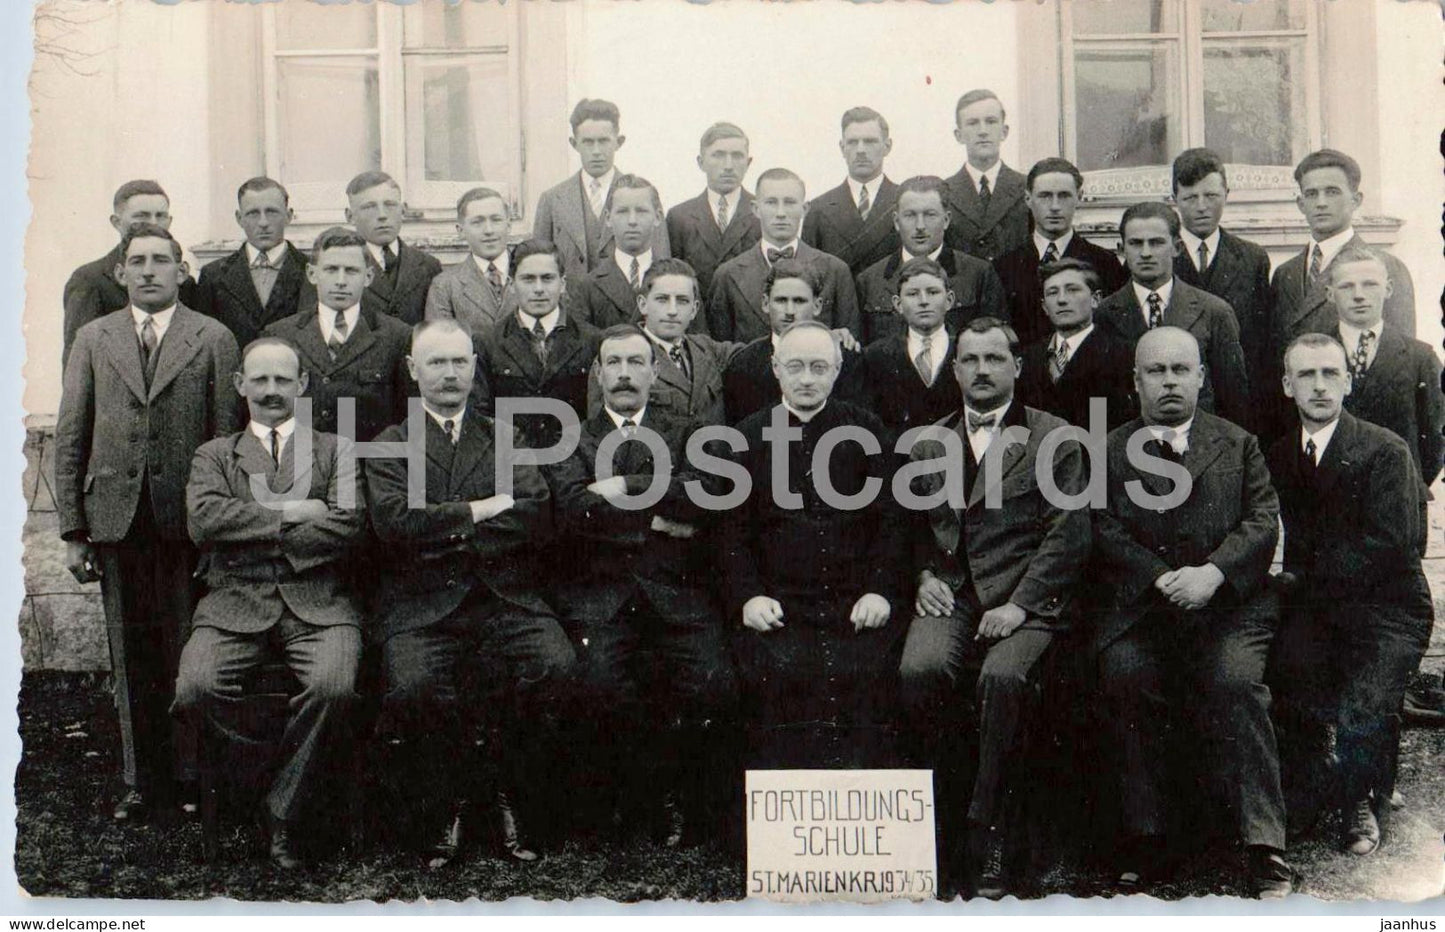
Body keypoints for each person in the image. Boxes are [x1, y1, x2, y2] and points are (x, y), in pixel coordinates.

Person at [364, 319, 576, 869]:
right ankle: (447, 806)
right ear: (413, 370)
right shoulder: (390, 444)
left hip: (504, 595)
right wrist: (482, 509)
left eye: (460, 361)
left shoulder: (503, 435)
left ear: (475, 366)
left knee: (553, 665)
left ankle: (509, 796)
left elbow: (534, 515)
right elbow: (394, 525)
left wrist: (441, 524)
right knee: (414, 687)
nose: (451, 373)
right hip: (424, 602)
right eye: (437, 362)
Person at [1092, 327, 1292, 898]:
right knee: (1126, 678)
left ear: (1202, 377)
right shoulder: (1108, 450)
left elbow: (1261, 519)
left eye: (1182, 369)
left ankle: (1263, 845)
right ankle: (1148, 837)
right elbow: (1101, 526)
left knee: (1236, 683)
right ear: (1136, 382)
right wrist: (1157, 577)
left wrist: (1214, 574)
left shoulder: (1238, 442)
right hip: (1143, 610)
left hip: (1229, 607)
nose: (1170, 381)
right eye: (1156, 371)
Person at [55, 223, 241, 821]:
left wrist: (219, 523)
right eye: (138, 261)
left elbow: (225, 436)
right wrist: (72, 530)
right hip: (116, 517)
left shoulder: (212, 337)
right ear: (121, 272)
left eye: (162, 261)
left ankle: (191, 776)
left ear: (182, 270)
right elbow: (71, 434)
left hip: (187, 520)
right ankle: (142, 780)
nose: (149, 271)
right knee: (130, 653)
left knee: (186, 649)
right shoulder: (93, 338)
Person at [901, 315, 1090, 899]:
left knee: (1004, 679)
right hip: (955, 595)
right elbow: (906, 525)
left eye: (994, 359)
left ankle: (992, 839)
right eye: (971, 360)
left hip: (1029, 601)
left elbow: (1069, 535)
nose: (982, 370)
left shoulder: (1055, 437)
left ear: (1017, 366)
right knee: (920, 670)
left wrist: (1022, 605)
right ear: (954, 370)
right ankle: (939, 833)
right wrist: (922, 574)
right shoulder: (929, 440)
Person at [173, 338, 364, 869]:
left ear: (302, 385)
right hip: (234, 603)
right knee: (195, 689)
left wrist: (251, 523)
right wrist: (297, 511)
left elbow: (348, 524)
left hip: (318, 605)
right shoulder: (214, 454)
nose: (272, 390)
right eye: (260, 380)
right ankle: (267, 783)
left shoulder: (334, 450)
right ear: (240, 385)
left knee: (333, 687)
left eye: (283, 379)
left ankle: (279, 811)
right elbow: (204, 521)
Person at [545, 323, 736, 846]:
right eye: (614, 363)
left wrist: (625, 485)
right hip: (602, 594)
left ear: (655, 371)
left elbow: (707, 496)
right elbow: (573, 510)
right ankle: (631, 804)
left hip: (677, 590)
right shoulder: (573, 438)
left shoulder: (690, 429)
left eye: (636, 362)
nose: (625, 374)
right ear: (598, 372)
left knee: (714, 685)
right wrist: (654, 517)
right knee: (602, 687)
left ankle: (686, 803)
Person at [1265, 333, 1433, 859]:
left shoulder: (1385, 449)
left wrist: (1297, 577)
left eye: (1330, 374)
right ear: (1288, 385)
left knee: (1365, 704)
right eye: (1307, 375)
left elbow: (1391, 543)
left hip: (1387, 608)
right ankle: (1314, 790)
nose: (1320, 386)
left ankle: (1363, 798)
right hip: (1316, 607)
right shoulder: (1276, 455)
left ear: (1348, 381)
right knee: (1286, 679)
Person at [718, 321, 905, 769]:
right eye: (796, 367)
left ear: (838, 371)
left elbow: (892, 522)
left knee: (867, 678)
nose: (806, 378)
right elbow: (730, 533)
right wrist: (748, 596)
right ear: (775, 369)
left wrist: (879, 589)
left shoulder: (867, 430)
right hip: (779, 602)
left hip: (854, 599)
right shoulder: (745, 437)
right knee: (776, 678)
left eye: (819, 367)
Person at [1265, 149, 1416, 437]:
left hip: (1365, 435)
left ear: (1356, 200)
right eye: (1311, 194)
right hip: (1299, 433)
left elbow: (1399, 367)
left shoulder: (1385, 269)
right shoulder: (1285, 274)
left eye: (1332, 192)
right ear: (1300, 203)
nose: (1321, 203)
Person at [1095, 201, 1251, 429]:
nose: (1146, 253)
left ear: (1177, 247)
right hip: (1128, 449)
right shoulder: (1104, 314)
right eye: (1136, 244)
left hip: (1198, 448)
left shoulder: (1213, 311)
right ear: (1121, 249)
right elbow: (1099, 400)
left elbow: (1234, 400)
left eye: (1156, 243)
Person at [261, 227, 412, 443]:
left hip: (369, 466)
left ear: (368, 276)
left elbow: (407, 417)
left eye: (351, 270)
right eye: (331, 269)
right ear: (312, 274)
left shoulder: (397, 336)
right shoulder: (281, 334)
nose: (341, 280)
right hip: (302, 464)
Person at [1326, 247, 1442, 491]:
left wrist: (1410, 483)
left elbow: (1436, 437)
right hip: (1333, 501)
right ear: (1329, 294)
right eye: (1347, 286)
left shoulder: (1421, 357)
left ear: (1388, 289)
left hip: (1401, 497)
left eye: (1370, 284)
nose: (1359, 295)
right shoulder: (1313, 355)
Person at [1169, 150, 1272, 413]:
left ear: (1227, 194)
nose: (1202, 206)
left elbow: (1260, 344)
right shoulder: (1159, 258)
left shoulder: (1252, 259)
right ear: (1175, 199)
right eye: (1190, 197)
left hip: (1236, 404)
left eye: (1211, 196)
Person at [706, 168, 861, 343]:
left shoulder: (835, 270)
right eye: (771, 202)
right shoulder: (727, 275)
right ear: (756, 209)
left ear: (805, 209)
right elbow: (719, 349)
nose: (781, 213)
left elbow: (849, 343)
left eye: (789, 203)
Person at [475, 239, 602, 448]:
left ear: (562, 284)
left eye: (547, 278)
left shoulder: (592, 341)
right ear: (511, 284)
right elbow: (481, 416)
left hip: (577, 463)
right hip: (514, 466)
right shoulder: (487, 343)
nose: (539, 289)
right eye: (528, 279)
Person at [590, 258, 743, 427]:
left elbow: (757, 354)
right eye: (662, 299)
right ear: (643, 304)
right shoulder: (616, 357)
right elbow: (604, 429)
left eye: (682, 301)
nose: (672, 311)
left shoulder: (708, 350)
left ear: (694, 309)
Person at [855, 175, 1006, 346]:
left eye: (930, 215)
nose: (920, 226)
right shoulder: (869, 280)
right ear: (897, 222)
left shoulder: (979, 274)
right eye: (910, 215)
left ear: (946, 220)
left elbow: (995, 342)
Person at [62, 179, 198, 369]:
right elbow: (77, 364)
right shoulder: (89, 280)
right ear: (117, 222)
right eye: (141, 217)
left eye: (160, 216)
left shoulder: (184, 283)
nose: (153, 224)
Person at [992, 158, 1127, 347]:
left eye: (1064, 196)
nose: (1055, 206)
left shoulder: (1105, 263)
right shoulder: (1003, 267)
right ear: (1028, 199)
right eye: (1045, 196)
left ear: (1079, 197)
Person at [532, 99, 670, 279]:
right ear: (574, 144)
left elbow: (662, 263)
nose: (596, 151)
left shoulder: (643, 195)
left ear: (618, 142)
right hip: (572, 304)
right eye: (588, 142)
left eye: (604, 141)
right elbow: (537, 265)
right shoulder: (552, 200)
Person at [722, 258, 864, 424]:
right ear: (766, 303)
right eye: (781, 300)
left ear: (817, 306)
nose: (790, 311)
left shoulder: (846, 359)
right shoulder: (743, 364)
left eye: (799, 301)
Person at [193, 177, 316, 349]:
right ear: (239, 218)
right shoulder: (213, 276)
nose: (263, 223)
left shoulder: (311, 271)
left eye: (272, 212)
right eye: (253, 213)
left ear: (289, 216)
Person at [1016, 259, 1137, 431]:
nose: (1062, 300)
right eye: (1052, 292)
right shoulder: (1029, 358)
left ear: (1096, 299)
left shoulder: (1122, 354)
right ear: (1044, 307)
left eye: (1072, 290)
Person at [859, 257, 965, 436]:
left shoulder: (966, 351)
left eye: (932, 292)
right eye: (913, 294)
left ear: (949, 300)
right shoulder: (875, 356)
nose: (923, 301)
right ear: (898, 304)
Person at [665, 122, 761, 301]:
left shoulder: (762, 213)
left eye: (737, 156)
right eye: (718, 155)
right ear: (701, 162)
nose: (728, 165)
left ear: (748, 163)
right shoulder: (679, 217)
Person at [800, 107, 901, 276]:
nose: (861, 150)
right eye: (853, 142)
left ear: (887, 146)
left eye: (870, 141)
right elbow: (808, 275)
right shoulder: (818, 209)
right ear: (842, 148)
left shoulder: (904, 202)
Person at [941, 90, 1030, 262]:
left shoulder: (1027, 187)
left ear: (1004, 131)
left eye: (991, 121)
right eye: (973, 123)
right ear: (958, 135)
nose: (983, 131)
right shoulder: (944, 192)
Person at [344, 171, 442, 326]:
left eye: (390, 205)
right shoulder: (337, 266)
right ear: (350, 216)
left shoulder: (428, 266)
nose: (382, 215)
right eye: (369, 207)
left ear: (403, 210)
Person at [568, 175, 665, 329]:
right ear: (608, 218)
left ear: (658, 217)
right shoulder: (589, 286)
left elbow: (696, 345)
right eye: (622, 212)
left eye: (641, 211)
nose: (632, 221)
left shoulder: (677, 279)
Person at [424, 187, 519, 339]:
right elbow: (441, 345)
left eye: (496, 220)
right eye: (477, 222)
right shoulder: (445, 286)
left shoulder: (533, 276)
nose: (488, 230)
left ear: (508, 225)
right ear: (460, 230)